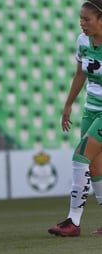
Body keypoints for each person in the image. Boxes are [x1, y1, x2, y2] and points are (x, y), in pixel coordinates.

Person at [48, 0, 102, 237]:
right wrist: (68, 104)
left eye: (86, 19)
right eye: (80, 18)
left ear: (101, 20)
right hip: (90, 110)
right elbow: (80, 74)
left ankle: (73, 222)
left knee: (80, 156)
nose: (82, 23)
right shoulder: (83, 41)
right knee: (94, 165)